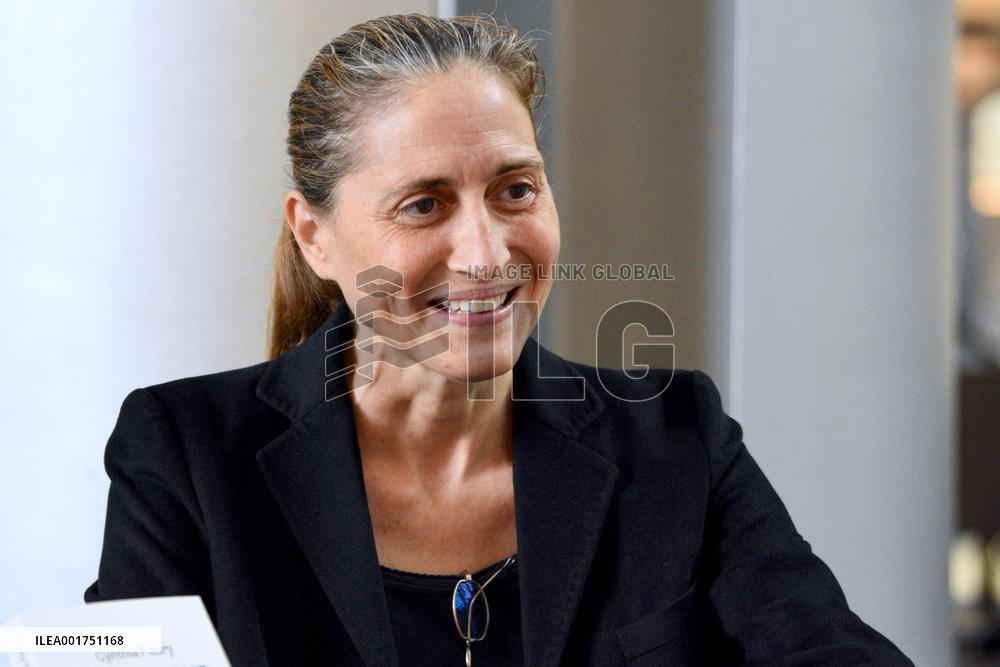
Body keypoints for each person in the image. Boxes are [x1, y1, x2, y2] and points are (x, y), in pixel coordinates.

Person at [84, 13, 914, 666]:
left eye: (515, 189)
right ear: (315, 235)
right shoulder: (186, 454)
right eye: (424, 204)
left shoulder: (675, 439)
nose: (486, 254)